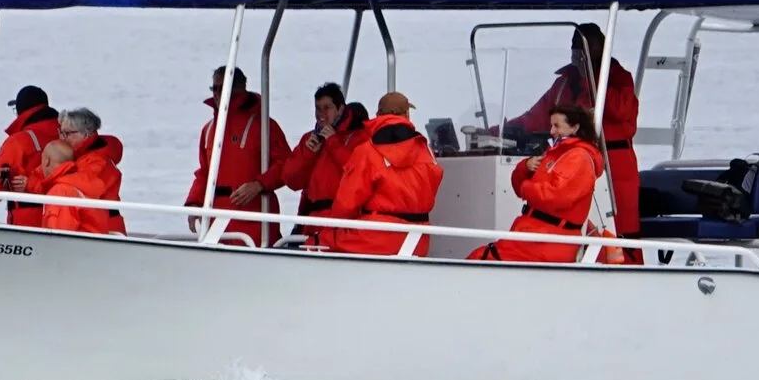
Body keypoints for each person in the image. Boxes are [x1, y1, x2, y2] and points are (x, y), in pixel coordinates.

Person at [504, 22, 639, 235]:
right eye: (575, 43)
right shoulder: (565, 83)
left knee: (622, 231)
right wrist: (500, 131)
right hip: (570, 163)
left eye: (585, 44)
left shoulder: (619, 79)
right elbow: (536, 117)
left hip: (615, 168)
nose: (578, 49)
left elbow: (620, 110)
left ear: (601, 47)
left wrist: (591, 77)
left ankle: (626, 258)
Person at [240, 82, 368, 248]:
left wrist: (334, 143)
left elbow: (358, 173)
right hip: (310, 223)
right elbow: (291, 180)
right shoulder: (309, 139)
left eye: (327, 108)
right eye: (318, 108)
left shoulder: (360, 138)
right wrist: (308, 154)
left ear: (340, 109)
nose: (321, 114)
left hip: (342, 224)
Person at [472, 103, 604, 263]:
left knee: (481, 258)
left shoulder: (579, 158)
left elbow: (556, 197)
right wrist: (525, 166)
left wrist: (526, 187)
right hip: (536, 234)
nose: (552, 131)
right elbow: (517, 187)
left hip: (550, 240)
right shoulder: (555, 152)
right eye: (551, 125)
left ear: (575, 127)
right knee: (481, 257)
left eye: (557, 126)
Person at [330, 92, 446, 257]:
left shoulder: (367, 151)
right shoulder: (427, 152)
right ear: (406, 114)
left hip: (373, 239)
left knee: (317, 241)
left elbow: (345, 205)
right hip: (416, 242)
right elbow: (432, 185)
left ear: (378, 115)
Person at [186, 66, 291, 245]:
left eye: (223, 87)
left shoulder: (264, 126)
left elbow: (286, 166)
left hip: (253, 222)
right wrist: (194, 203)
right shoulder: (209, 130)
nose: (217, 93)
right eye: (214, 88)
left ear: (240, 88)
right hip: (216, 222)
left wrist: (259, 184)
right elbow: (205, 172)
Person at [34, 106, 126, 235]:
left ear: (86, 134)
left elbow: (72, 184)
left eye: (68, 133)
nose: (63, 138)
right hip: (92, 226)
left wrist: (33, 183)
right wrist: (28, 182)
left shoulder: (98, 162)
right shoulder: (78, 156)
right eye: (61, 133)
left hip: (107, 230)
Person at [0, 85, 58, 227]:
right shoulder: (68, 135)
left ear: (21, 110)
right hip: (61, 216)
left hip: (27, 220)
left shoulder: (19, 141)